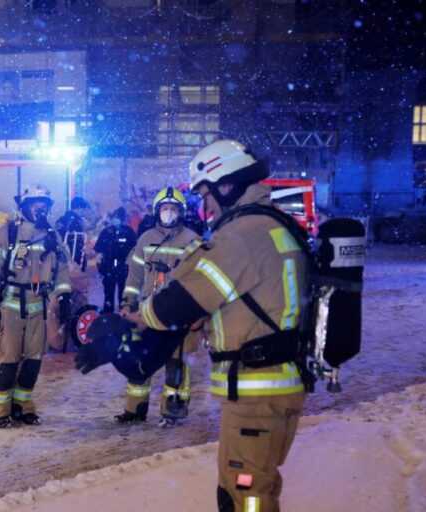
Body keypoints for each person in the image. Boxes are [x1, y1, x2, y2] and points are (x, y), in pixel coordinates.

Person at [124, 140, 309, 511]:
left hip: (256, 389)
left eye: (206, 195)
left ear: (227, 186)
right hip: (276, 381)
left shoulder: (242, 235)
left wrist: (138, 318)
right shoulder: (275, 225)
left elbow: (182, 301)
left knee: (246, 494)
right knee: (248, 487)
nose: (204, 207)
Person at [0, 184, 72, 429]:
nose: (40, 209)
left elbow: (62, 270)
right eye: (35, 204)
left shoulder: (52, 237)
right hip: (11, 306)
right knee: (8, 360)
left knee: (33, 361)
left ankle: (23, 407)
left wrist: (64, 297)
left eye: (44, 205)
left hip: (38, 306)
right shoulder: (7, 233)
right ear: (24, 207)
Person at [116, 187, 201, 427]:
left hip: (177, 313)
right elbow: (134, 277)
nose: (169, 213)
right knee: (140, 360)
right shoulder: (146, 239)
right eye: (165, 208)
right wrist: (128, 303)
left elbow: (199, 280)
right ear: (157, 211)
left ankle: (172, 411)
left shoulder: (192, 241)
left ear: (181, 212)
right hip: (146, 311)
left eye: (173, 208)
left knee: (176, 362)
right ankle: (135, 409)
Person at [94, 207, 136, 313]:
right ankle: (108, 315)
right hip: (108, 266)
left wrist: (131, 265)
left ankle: (123, 314)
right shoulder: (106, 232)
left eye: (119, 218)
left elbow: (135, 249)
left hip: (123, 266)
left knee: (124, 293)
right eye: (115, 217)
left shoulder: (128, 232)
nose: (116, 220)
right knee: (108, 293)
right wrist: (99, 267)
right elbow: (99, 251)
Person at [55, 196, 91, 271]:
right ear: (79, 208)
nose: (84, 211)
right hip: (74, 254)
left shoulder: (62, 219)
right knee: (76, 275)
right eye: (84, 209)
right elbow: (74, 237)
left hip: (63, 254)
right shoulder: (75, 220)